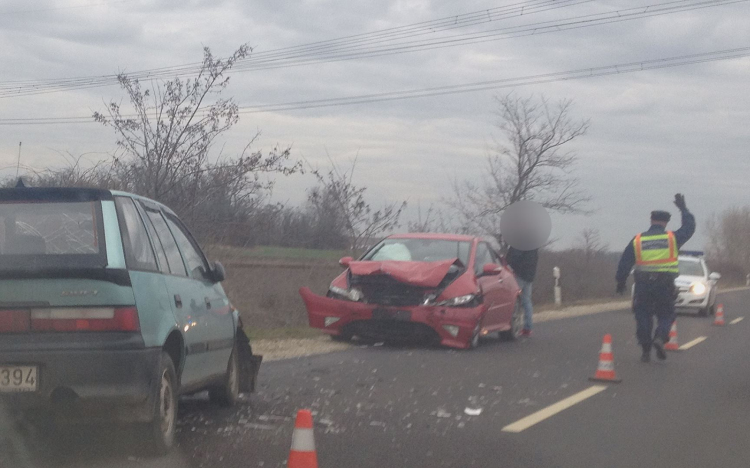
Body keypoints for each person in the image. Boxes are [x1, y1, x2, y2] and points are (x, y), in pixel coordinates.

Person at [615, 194, 695, 362]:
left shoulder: (638, 240)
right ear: (665, 222)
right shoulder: (672, 238)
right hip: (664, 285)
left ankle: (645, 351)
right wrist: (684, 209)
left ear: (651, 220)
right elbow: (689, 228)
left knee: (643, 315)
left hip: (643, 285)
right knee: (666, 314)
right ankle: (660, 338)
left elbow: (625, 262)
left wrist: (620, 282)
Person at [506, 246, 539, 336]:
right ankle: (528, 327)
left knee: (512, 299)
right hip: (529, 276)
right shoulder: (533, 246)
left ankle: (510, 325)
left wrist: (506, 265)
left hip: (519, 275)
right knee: (526, 301)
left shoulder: (520, 244)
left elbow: (513, 258)